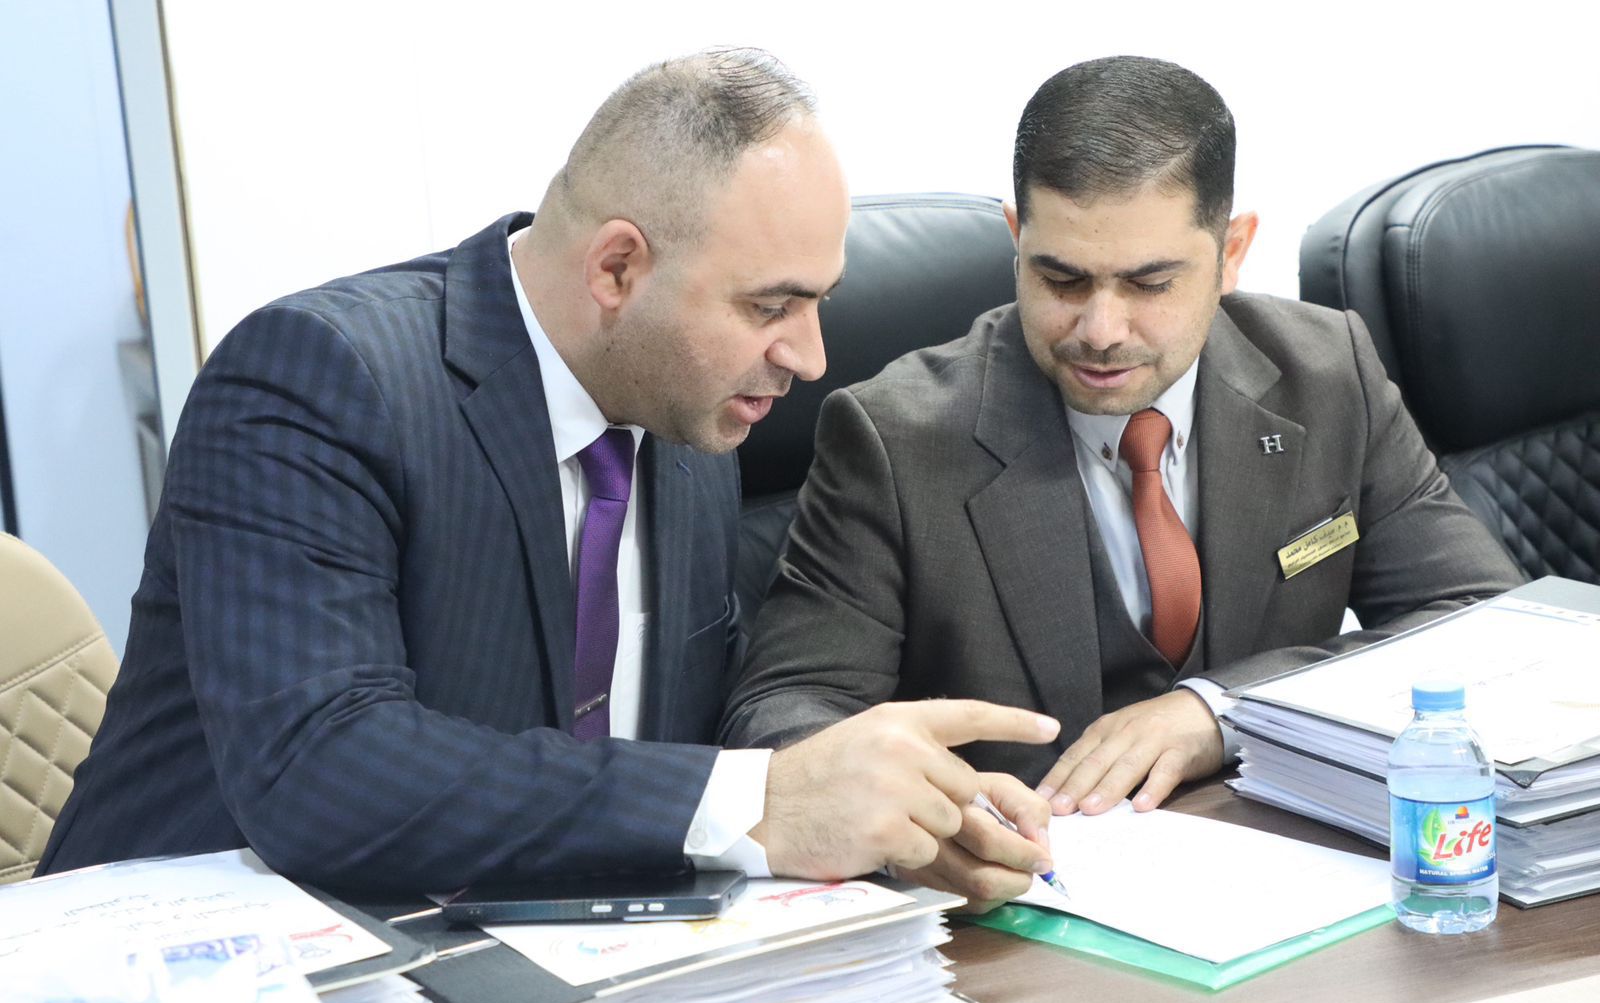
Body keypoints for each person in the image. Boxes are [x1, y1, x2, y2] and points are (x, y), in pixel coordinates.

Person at [39, 49, 1060, 893]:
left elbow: (682, 741)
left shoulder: (686, 414)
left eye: (818, 302)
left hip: (530, 963)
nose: (810, 356)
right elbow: (324, 770)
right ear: (617, 268)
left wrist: (896, 809)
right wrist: (758, 802)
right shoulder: (318, 379)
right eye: (769, 306)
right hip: (194, 981)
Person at [721, 55, 1522, 910]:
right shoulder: (895, 436)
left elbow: (1492, 627)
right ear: (1016, 241)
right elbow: (782, 717)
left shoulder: (1328, 376)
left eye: (1150, 283)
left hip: (1287, 889)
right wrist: (924, 812)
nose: (1101, 330)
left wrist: (1222, 711)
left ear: (1232, 253)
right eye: (1061, 279)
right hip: (1020, 911)